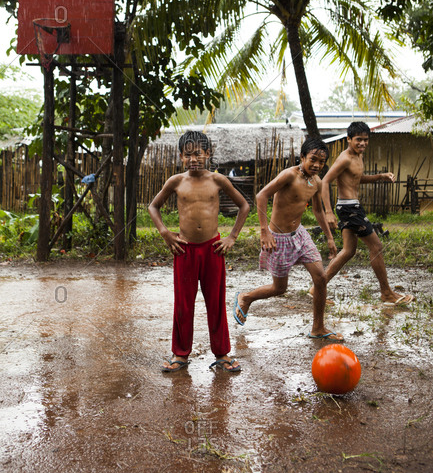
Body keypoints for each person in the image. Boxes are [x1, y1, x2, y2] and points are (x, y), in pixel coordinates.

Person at [148, 130, 250, 373]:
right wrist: (164, 232)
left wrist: (232, 236)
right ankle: (180, 355)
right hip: (184, 251)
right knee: (183, 304)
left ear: (208, 154)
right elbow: (153, 206)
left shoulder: (218, 180)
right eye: (188, 155)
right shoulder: (176, 181)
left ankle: (223, 355)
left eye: (198, 154)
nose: (193, 159)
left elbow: (244, 205)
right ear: (181, 157)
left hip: (213, 250)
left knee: (215, 303)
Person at [233, 138, 344, 341]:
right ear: (302, 157)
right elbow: (261, 196)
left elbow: (318, 211)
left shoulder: (317, 182)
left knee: (320, 278)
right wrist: (264, 231)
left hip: (300, 235)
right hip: (279, 239)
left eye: (321, 161)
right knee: (279, 288)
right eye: (313, 159)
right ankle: (246, 298)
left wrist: (329, 237)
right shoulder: (288, 175)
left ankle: (318, 327)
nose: (317, 165)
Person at [316, 121, 414, 306]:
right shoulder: (345, 158)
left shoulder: (358, 156)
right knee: (376, 247)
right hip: (348, 208)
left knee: (348, 251)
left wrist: (380, 176)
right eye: (358, 140)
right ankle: (386, 293)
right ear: (349, 139)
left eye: (365, 140)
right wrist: (328, 212)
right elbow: (326, 181)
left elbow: (356, 179)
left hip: (351, 206)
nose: (362, 143)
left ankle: (317, 288)